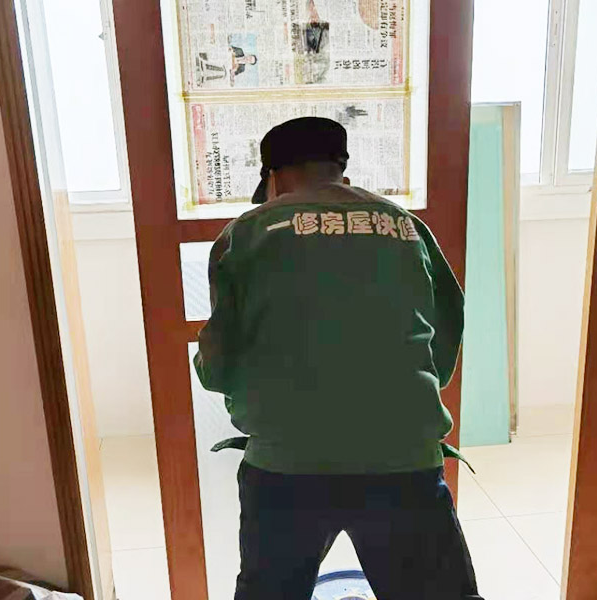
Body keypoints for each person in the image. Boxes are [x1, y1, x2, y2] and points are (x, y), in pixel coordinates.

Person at [194, 117, 483, 600]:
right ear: (340, 172)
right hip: (403, 458)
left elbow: (219, 363)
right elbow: (446, 331)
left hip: (287, 465)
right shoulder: (406, 226)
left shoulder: (246, 233)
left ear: (274, 177)